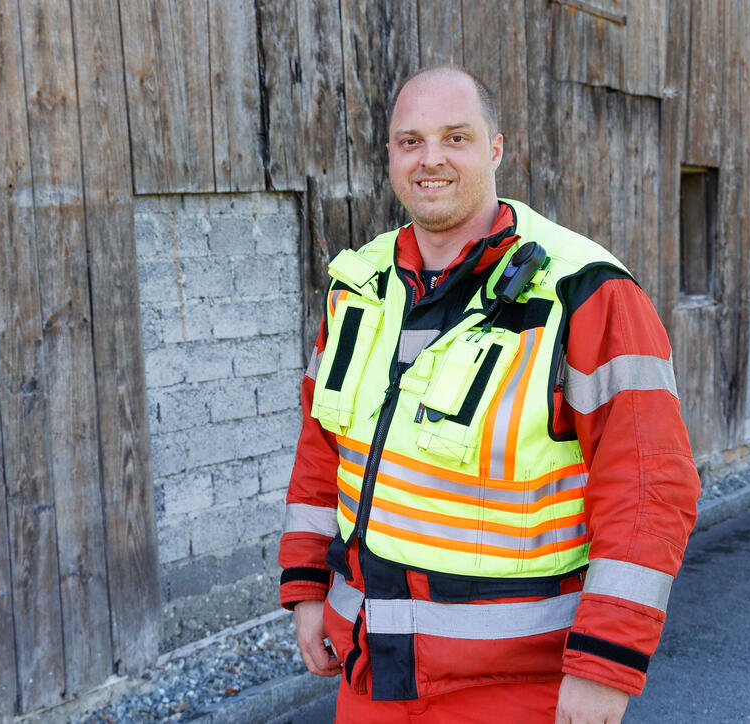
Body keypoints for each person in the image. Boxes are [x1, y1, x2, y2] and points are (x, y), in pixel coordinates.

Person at [277, 65, 700, 723]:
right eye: (410, 141)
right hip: (369, 680)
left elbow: (650, 490)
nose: (430, 159)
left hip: (515, 691)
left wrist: (605, 668)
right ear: (390, 155)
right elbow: (321, 450)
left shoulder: (585, 292)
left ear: (496, 148)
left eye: (456, 138)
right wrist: (307, 590)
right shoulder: (356, 288)